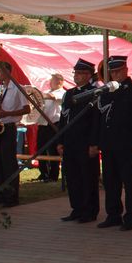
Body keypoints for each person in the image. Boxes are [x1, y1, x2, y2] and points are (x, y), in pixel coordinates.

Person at [91, 55, 132, 230]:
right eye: (112, 72)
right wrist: (97, 141)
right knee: (110, 181)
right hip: (108, 143)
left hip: (127, 144)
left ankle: (131, 217)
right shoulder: (106, 91)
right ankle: (113, 215)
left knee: (130, 183)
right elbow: (99, 118)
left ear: (126, 70)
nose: (115, 75)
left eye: (118, 71)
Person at [57, 59, 101, 223]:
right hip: (70, 141)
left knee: (87, 177)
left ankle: (90, 211)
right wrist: (60, 140)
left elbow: (96, 121)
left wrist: (94, 143)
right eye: (76, 73)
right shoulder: (69, 94)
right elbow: (63, 118)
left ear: (89, 75)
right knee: (73, 177)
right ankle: (77, 208)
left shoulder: (94, 93)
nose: (77, 76)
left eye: (81, 73)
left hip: (85, 142)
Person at [0, 63, 31, 207]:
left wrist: (7, 113)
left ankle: (11, 197)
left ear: (7, 71)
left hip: (8, 127)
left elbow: (27, 109)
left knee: (9, 164)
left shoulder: (18, 88)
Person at [37, 73, 66, 182]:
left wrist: (39, 94)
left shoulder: (62, 92)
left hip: (54, 124)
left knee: (53, 150)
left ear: (59, 82)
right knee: (40, 149)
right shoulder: (47, 92)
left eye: (52, 80)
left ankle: (53, 175)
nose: (50, 82)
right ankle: (43, 173)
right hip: (43, 124)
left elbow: (52, 97)